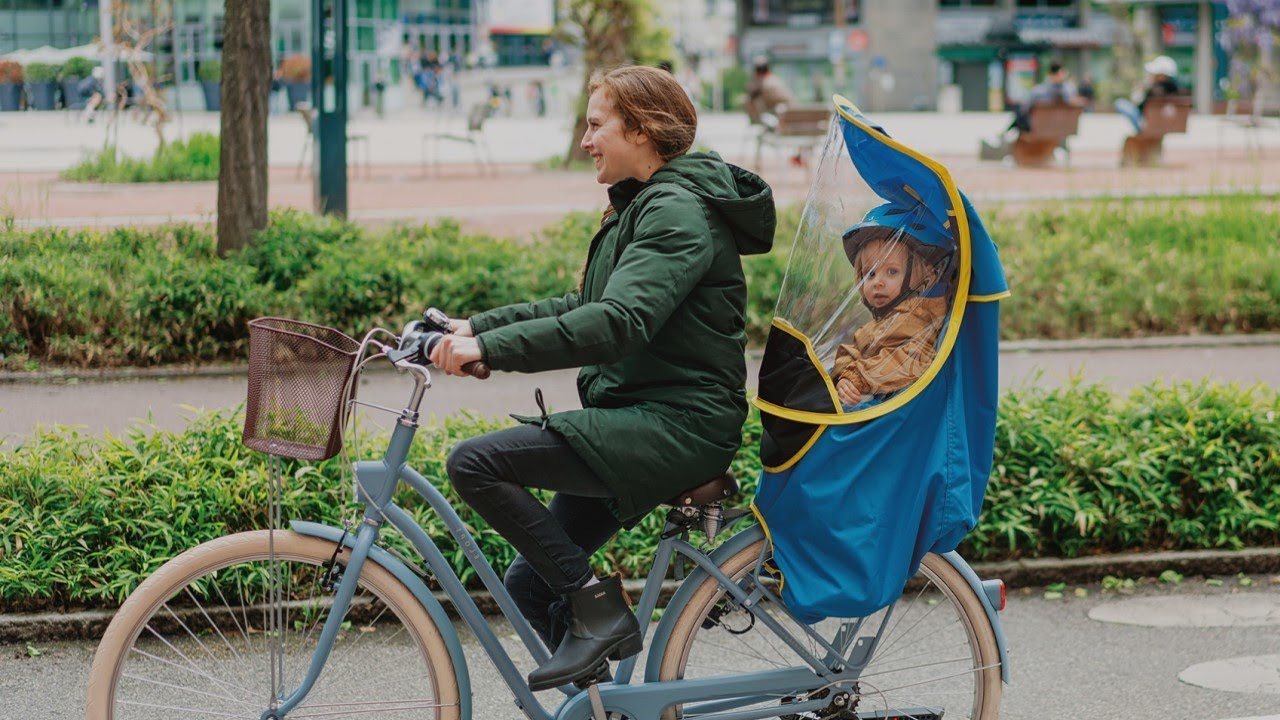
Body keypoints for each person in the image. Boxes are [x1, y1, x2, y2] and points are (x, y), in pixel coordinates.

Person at [429, 65, 776, 691]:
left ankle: (600, 613)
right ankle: (600, 700)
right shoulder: (646, 204)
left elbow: (618, 323)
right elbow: (581, 303)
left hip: (678, 425)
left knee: (474, 464)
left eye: (596, 126)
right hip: (640, 418)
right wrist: (474, 326)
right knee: (529, 584)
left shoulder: (677, 211)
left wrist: (488, 346)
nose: (585, 140)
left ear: (641, 131)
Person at [831, 206, 950, 407]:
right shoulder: (882, 323)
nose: (878, 282)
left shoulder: (920, 318)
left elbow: (912, 358)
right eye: (870, 273)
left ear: (926, 275)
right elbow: (852, 352)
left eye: (892, 272)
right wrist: (844, 377)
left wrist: (857, 377)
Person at [1114, 55, 1182, 132]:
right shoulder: (1175, 90)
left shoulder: (1154, 88)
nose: (1152, 75)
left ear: (1161, 75)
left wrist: (1144, 87)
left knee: (1119, 103)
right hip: (1161, 122)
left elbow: (1137, 101)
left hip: (1147, 121)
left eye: (1154, 73)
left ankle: (1140, 128)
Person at [744, 55, 795, 129]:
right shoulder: (776, 80)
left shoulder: (762, 83)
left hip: (778, 116)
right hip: (791, 112)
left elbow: (750, 94)